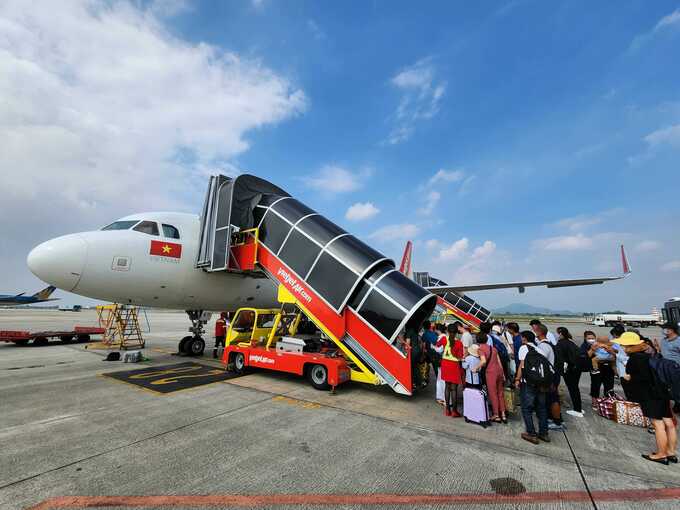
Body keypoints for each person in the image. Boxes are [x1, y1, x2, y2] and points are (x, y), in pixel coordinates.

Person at [619, 331, 677, 465]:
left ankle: (661, 454)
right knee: (669, 423)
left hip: (650, 395)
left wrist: (629, 378)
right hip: (662, 393)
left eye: (623, 345)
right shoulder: (649, 353)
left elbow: (640, 378)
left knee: (658, 424)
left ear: (628, 345)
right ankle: (671, 452)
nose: (622, 348)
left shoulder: (635, 358)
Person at [515, 330, 550, 444]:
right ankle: (544, 433)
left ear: (524, 338)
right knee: (542, 408)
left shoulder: (523, 348)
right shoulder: (540, 349)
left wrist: (517, 379)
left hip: (529, 382)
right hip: (542, 382)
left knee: (527, 408)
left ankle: (531, 434)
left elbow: (522, 365)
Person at [477, 331, 507, 424]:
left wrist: (475, 368)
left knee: (493, 394)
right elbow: (499, 361)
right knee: (500, 393)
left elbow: (483, 361)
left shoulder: (480, 349)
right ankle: (503, 414)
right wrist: (503, 374)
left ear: (477, 340)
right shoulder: (493, 348)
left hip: (491, 373)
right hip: (499, 371)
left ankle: (496, 415)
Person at [556, 327, 584, 418]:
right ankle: (578, 407)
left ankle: (577, 410)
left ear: (560, 334)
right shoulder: (571, 341)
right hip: (577, 368)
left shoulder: (561, 343)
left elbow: (559, 358)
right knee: (575, 388)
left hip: (569, 369)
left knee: (572, 388)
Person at [438, 323, 464, 417]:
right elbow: (460, 357)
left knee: (447, 387)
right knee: (454, 389)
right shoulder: (459, 343)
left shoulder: (444, 339)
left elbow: (437, 345)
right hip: (454, 366)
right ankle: (454, 411)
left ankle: (447, 410)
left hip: (445, 365)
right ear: (457, 333)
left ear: (448, 331)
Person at [583, 332, 616, 398]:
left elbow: (616, 354)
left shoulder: (610, 345)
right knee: (595, 385)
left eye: (592, 338)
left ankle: (608, 400)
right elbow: (588, 356)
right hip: (599, 365)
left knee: (609, 385)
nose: (591, 340)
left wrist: (610, 350)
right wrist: (593, 349)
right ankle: (595, 400)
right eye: (589, 338)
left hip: (608, 367)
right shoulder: (589, 345)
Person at [406, 325, 422, 391]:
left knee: (411, 368)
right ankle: (418, 383)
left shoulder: (409, 331)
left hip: (413, 352)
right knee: (416, 367)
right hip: (418, 350)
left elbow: (408, 344)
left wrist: (406, 349)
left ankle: (412, 383)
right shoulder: (415, 331)